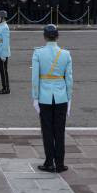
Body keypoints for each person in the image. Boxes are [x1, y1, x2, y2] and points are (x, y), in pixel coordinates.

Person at [31, 24, 73, 173]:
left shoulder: (38, 53)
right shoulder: (65, 54)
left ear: (44, 37)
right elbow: (69, 79)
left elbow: (35, 78)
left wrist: (35, 97)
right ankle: (60, 163)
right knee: (60, 131)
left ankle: (49, 161)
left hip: (44, 96)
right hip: (61, 96)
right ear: (57, 36)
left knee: (47, 130)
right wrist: (69, 98)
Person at [0, 10, 11, 94]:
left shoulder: (5, 28)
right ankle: (4, 87)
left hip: (2, 53)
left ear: (3, 18)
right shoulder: (0, 25)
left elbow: (6, 43)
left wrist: (4, 55)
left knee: (4, 71)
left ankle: (6, 88)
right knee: (2, 71)